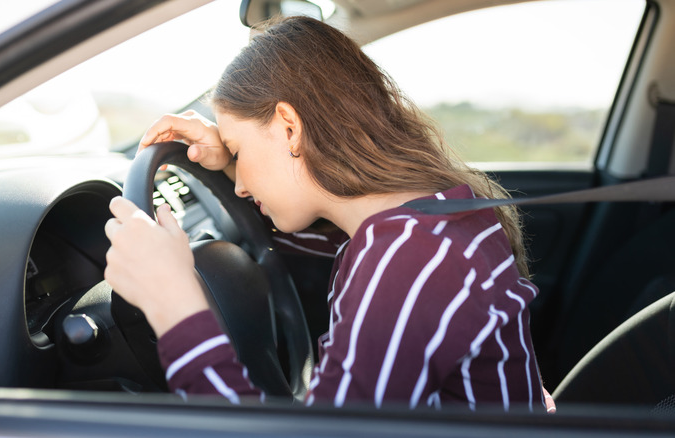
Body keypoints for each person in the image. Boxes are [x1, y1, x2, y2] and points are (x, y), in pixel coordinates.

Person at [104, 15, 551, 412]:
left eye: (239, 151)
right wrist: (228, 161)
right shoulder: (438, 218)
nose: (240, 182)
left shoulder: (411, 258)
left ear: (290, 127)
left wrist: (175, 303)